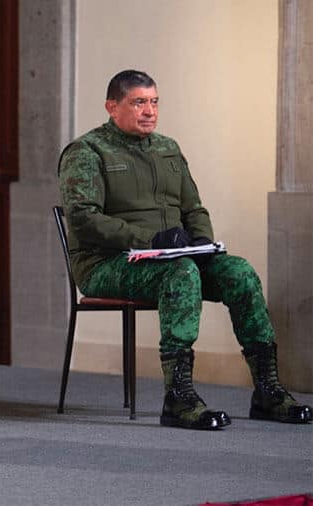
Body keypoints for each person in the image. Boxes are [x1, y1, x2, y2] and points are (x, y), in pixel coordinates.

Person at [58, 69, 311, 430]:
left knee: (238, 272)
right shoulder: (87, 151)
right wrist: (150, 242)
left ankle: (268, 391)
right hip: (108, 264)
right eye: (139, 102)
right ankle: (179, 398)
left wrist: (203, 243)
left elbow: (194, 209)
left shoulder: (167, 148)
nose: (150, 111)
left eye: (154, 102)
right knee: (182, 275)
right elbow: (82, 218)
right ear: (112, 107)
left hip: (174, 258)